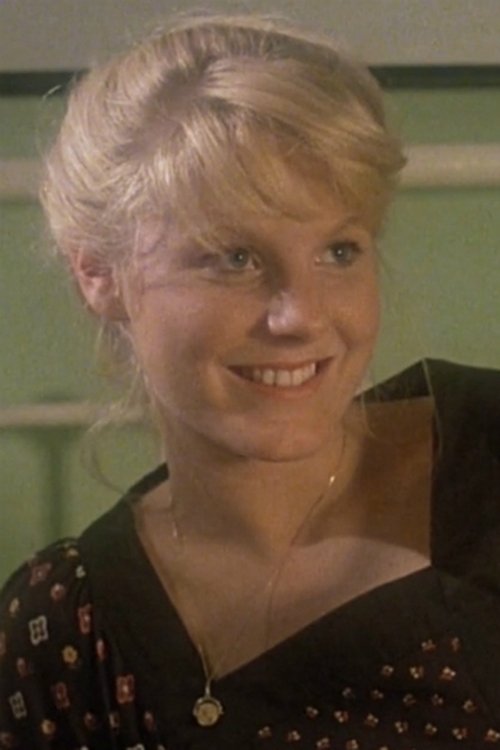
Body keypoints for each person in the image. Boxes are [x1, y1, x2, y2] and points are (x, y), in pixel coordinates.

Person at [1, 13, 500, 750]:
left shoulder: (485, 460)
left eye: (339, 251)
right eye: (234, 257)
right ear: (98, 274)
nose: (301, 316)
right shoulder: (69, 630)